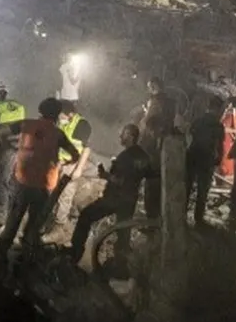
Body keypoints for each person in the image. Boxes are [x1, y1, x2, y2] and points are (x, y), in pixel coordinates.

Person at [0, 98, 80, 259]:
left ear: (41, 111)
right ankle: (26, 258)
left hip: (22, 181)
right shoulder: (58, 133)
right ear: (57, 114)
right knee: (34, 223)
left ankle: (0, 257)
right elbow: (75, 155)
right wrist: (63, 162)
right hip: (44, 185)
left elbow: (2, 132)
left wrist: (12, 147)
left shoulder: (26, 124)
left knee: (13, 220)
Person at [68, 124, 150, 265]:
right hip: (130, 200)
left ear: (130, 136)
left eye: (123, 133)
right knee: (123, 234)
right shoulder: (143, 155)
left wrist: (105, 175)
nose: (120, 136)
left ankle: (74, 255)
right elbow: (146, 174)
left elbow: (119, 181)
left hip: (114, 198)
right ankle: (122, 266)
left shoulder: (125, 156)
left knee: (86, 216)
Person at [0, 81, 26, 217]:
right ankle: (15, 208)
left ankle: (1, 212)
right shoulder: (18, 105)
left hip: (7, 148)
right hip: (23, 147)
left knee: (1, 179)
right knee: (15, 179)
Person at [49, 101, 93, 233]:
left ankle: (59, 227)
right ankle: (51, 218)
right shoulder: (62, 122)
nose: (60, 118)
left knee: (65, 195)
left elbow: (86, 149)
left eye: (61, 116)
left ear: (71, 114)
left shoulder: (82, 125)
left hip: (72, 164)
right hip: (59, 162)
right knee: (52, 191)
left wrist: (78, 169)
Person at [138, 77, 176, 218]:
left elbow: (149, 122)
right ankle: (159, 212)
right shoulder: (170, 102)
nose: (148, 90)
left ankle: (151, 215)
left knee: (151, 180)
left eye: (150, 87)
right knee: (160, 179)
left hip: (152, 145)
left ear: (154, 86)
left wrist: (146, 115)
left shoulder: (155, 102)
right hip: (165, 145)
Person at [186, 96, 225, 226]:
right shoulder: (218, 125)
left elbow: (190, 135)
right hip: (207, 158)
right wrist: (219, 158)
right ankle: (198, 218)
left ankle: (181, 214)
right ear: (218, 109)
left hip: (192, 155)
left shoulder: (198, 120)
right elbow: (220, 145)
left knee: (187, 187)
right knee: (202, 190)